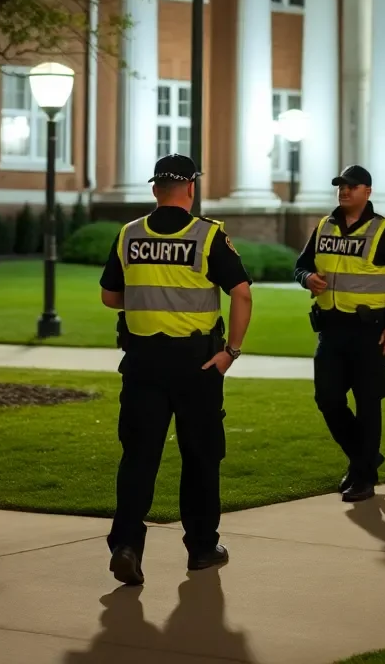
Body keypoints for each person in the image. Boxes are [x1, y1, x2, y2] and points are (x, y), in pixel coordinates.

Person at [99, 154, 252, 585]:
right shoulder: (207, 236)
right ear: (191, 189)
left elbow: (111, 297)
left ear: (154, 190)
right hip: (198, 365)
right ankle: (202, 548)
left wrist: (153, 300)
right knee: (201, 458)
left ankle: (127, 544)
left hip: (143, 363)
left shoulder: (129, 234)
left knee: (138, 458)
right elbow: (241, 294)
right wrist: (231, 352)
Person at [294, 164, 385, 503]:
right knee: (328, 399)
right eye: (341, 186)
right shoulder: (324, 226)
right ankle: (365, 458)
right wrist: (307, 278)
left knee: (368, 403)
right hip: (331, 331)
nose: (344, 191)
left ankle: (364, 477)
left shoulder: (384, 232)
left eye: (352, 186)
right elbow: (301, 264)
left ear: (368, 191)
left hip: (370, 333)